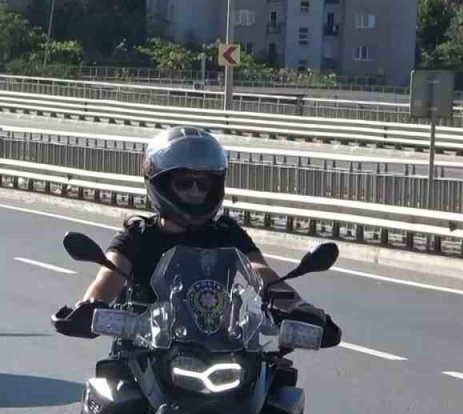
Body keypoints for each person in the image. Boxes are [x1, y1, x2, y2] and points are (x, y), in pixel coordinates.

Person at [78, 126, 304, 307]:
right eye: (185, 183)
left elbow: (257, 268)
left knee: (276, 365)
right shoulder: (137, 235)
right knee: (112, 366)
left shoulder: (226, 233)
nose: (195, 191)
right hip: (144, 349)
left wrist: (298, 306)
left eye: (203, 183)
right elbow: (108, 278)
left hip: (219, 344)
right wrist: (88, 306)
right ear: (162, 185)